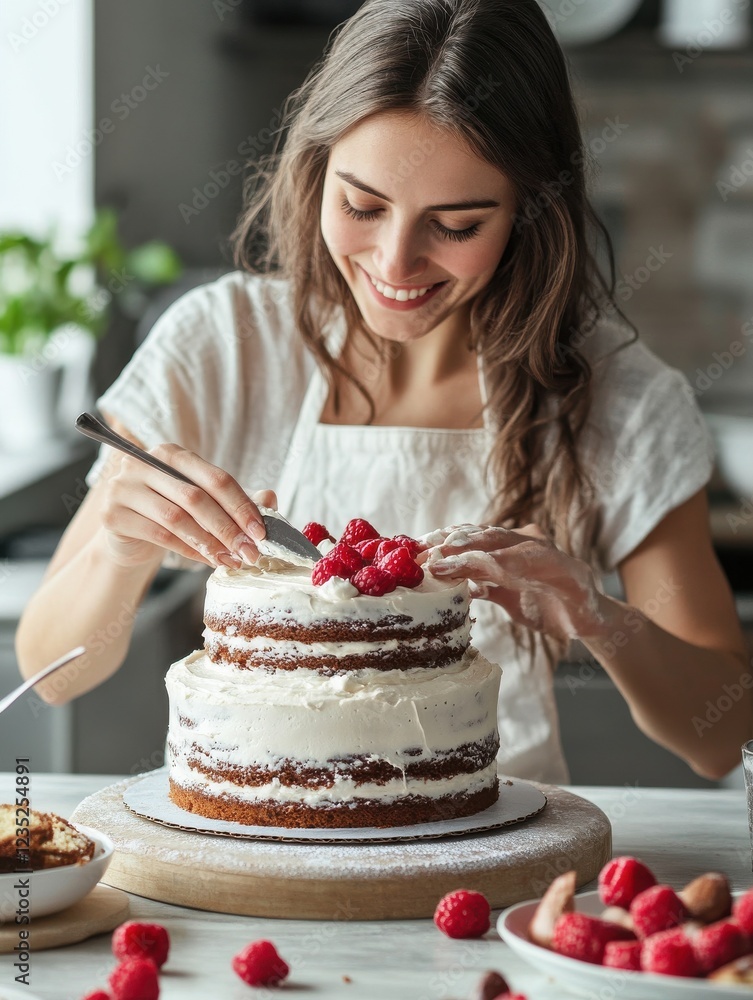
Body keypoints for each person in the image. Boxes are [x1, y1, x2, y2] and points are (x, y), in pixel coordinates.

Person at [16, 0, 748, 784]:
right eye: (361, 206)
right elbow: (52, 673)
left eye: (458, 225)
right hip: (259, 863)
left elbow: (720, 736)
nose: (396, 263)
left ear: (531, 215)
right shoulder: (218, 347)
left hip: (495, 875)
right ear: (315, 169)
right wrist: (119, 556)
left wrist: (600, 619)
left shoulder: (621, 399)